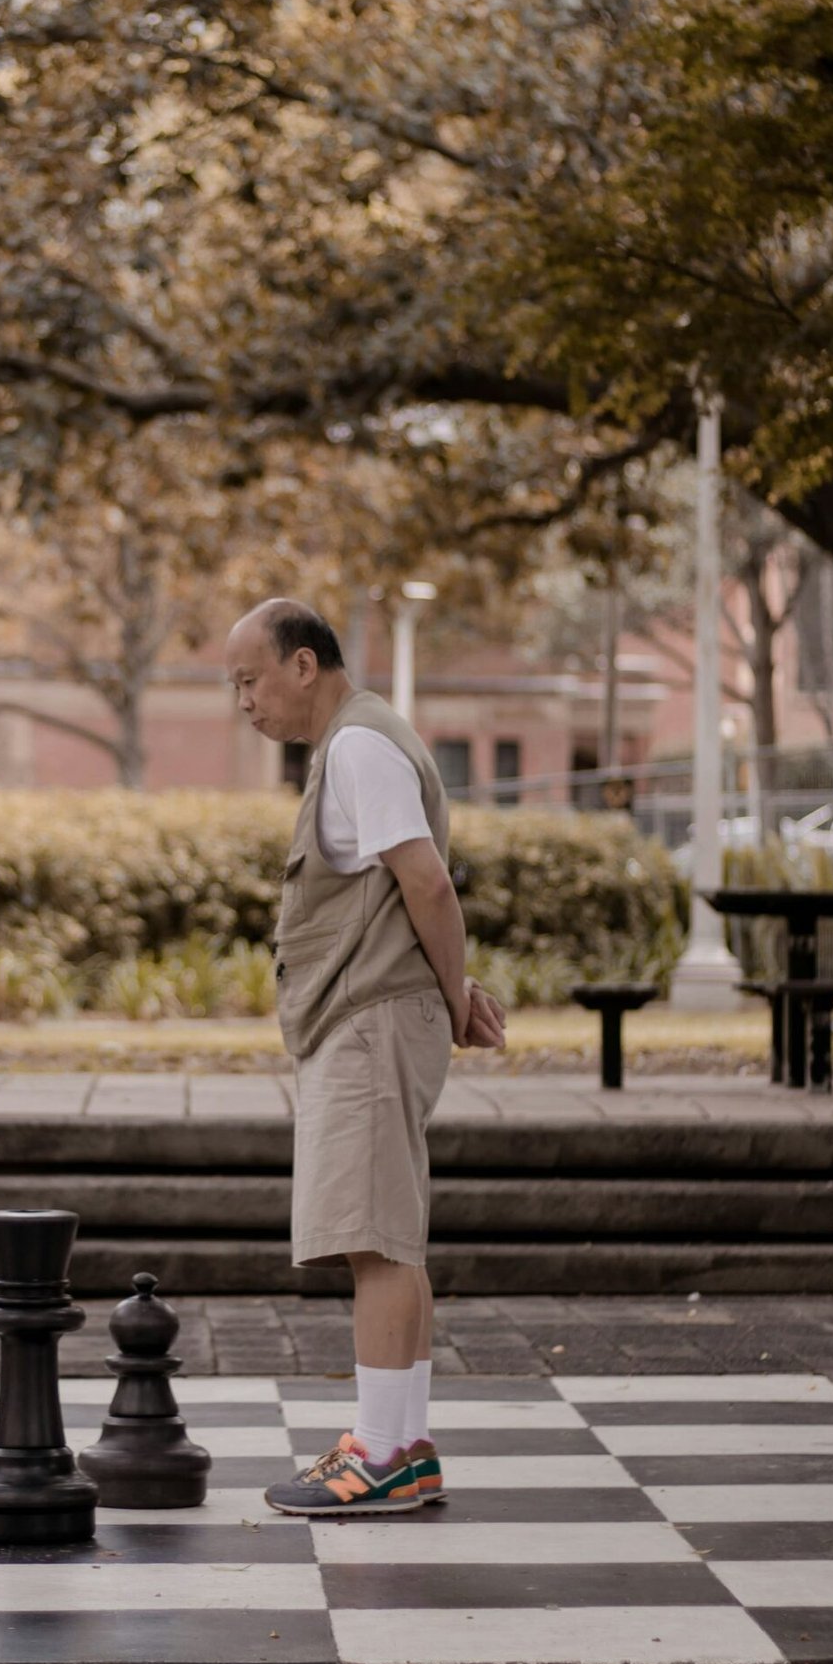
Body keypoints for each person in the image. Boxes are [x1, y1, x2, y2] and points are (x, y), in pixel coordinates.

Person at [224, 596, 506, 1515]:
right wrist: (450, 994)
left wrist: (455, 994)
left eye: (250, 680)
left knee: (374, 1241)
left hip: (370, 1019)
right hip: (378, 1015)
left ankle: (381, 1455)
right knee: (393, 1238)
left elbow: (425, 879)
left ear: (304, 666)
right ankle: (402, 1445)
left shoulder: (354, 745)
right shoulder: (355, 742)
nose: (244, 703)